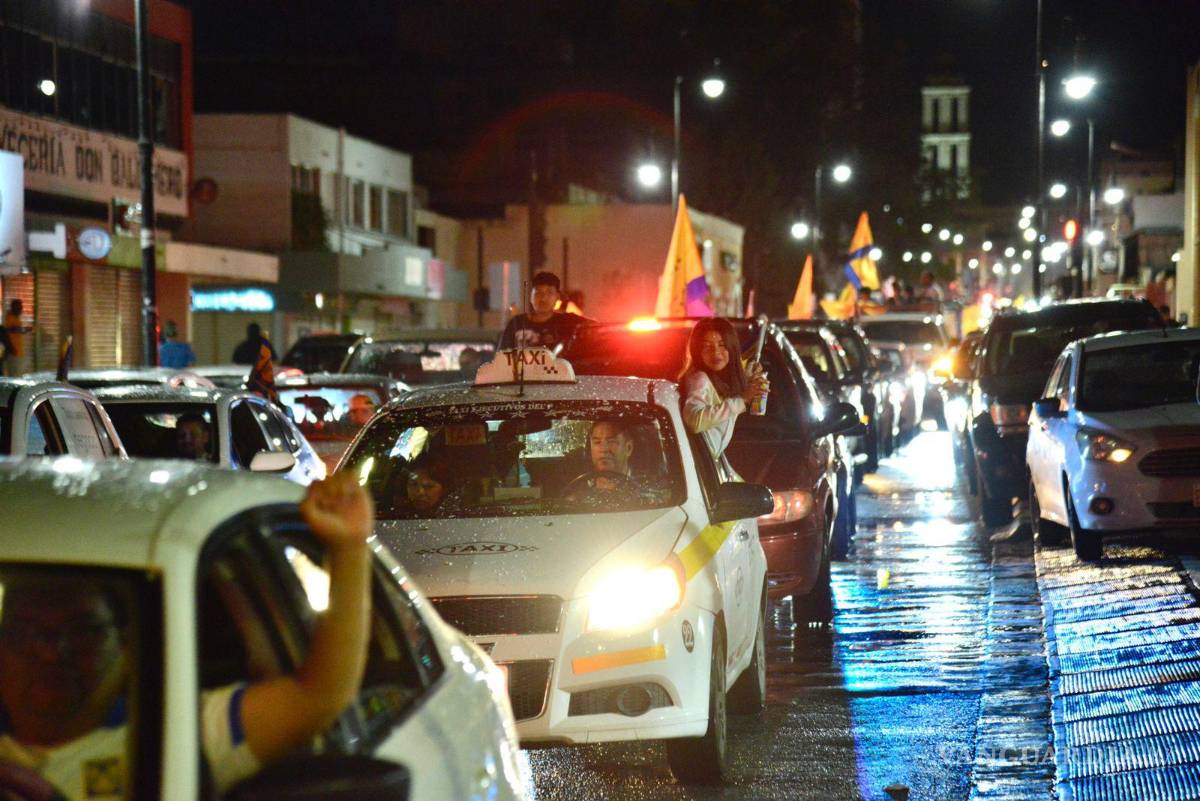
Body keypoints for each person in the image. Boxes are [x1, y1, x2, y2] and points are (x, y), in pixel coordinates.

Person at [0, 474, 373, 799]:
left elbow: (319, 695)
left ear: (125, 647)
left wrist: (349, 548)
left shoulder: (175, 732)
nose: (49, 653)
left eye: (81, 631)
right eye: (26, 632)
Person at [679, 318, 768, 461]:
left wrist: (748, 380)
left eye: (722, 345)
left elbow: (722, 408)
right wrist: (743, 400)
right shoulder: (699, 379)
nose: (716, 353)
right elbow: (694, 420)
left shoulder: (720, 381)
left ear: (732, 348)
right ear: (697, 351)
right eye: (707, 347)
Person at [497, 271, 588, 351]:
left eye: (549, 292)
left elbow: (596, 328)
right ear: (530, 296)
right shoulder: (516, 324)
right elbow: (501, 358)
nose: (543, 298)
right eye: (538, 292)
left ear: (557, 297)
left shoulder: (568, 322)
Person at [3, 299, 29, 377]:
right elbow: (10, 330)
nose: (21, 309)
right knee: (14, 375)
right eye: (19, 307)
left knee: (17, 374)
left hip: (17, 351)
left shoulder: (16, 318)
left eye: (21, 307)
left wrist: (24, 330)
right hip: (13, 352)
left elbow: (16, 330)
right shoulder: (9, 317)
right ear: (13, 307)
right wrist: (23, 329)